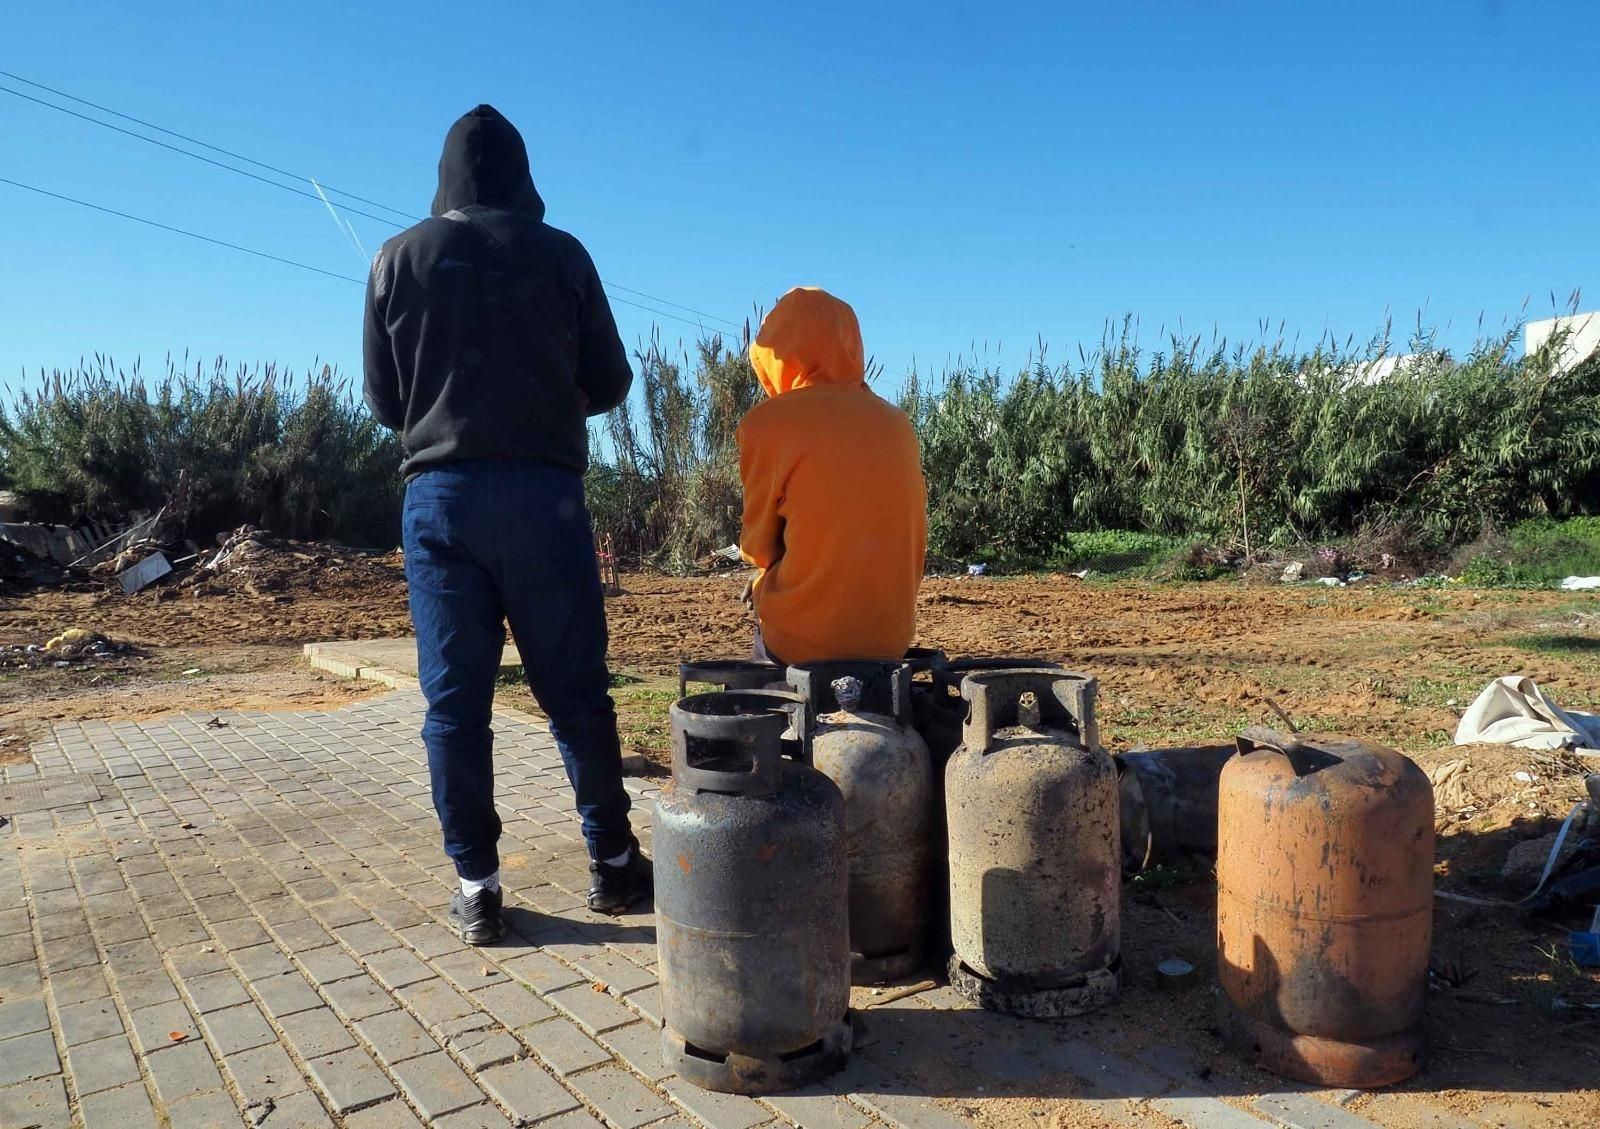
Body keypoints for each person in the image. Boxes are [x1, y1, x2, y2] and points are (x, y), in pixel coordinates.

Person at [364, 105, 651, 945]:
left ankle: (478, 888)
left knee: (455, 705)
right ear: (525, 174)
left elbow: (387, 402)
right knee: (574, 695)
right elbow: (611, 377)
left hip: (440, 501)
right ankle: (610, 862)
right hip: (543, 498)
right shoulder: (564, 255)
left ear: (443, 175)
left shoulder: (394, 258)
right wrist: (552, 401)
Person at [738, 287, 928, 666]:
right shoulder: (898, 423)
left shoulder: (766, 423)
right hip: (891, 640)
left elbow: (757, 548)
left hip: (800, 642)